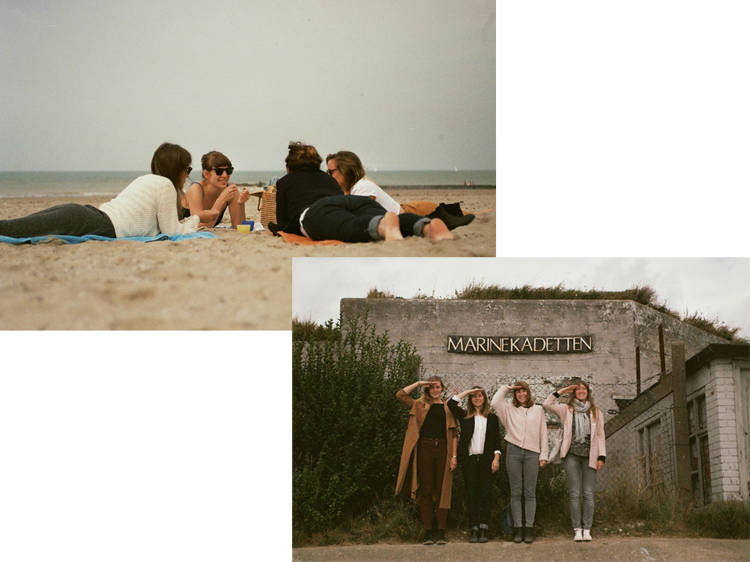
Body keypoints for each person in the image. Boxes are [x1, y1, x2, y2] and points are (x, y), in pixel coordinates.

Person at [0, 143, 201, 239]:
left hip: (87, 216)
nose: (187, 175)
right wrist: (195, 220)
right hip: (94, 222)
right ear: (176, 169)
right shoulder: (165, 186)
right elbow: (172, 232)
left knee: (14, 227)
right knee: (12, 230)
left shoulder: (146, 179)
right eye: (187, 169)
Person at [274, 142, 453, 242]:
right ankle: (426, 226)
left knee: (348, 226)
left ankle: (383, 227)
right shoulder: (329, 178)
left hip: (315, 212)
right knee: (384, 217)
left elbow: (282, 222)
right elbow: (339, 198)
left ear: (289, 168)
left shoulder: (285, 181)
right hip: (350, 201)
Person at [325, 151, 475, 230]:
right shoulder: (354, 189)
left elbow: (361, 212)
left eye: (330, 172)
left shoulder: (363, 187)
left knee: (469, 214)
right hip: (409, 210)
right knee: (464, 213)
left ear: (345, 170)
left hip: (417, 211)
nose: (328, 175)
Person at [396, 377, 458, 546]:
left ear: (442, 388)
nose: (435, 390)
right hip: (425, 448)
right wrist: (418, 384)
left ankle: (441, 531)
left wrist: (454, 456)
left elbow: (453, 434)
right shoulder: (420, 405)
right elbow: (401, 395)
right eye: (431, 387)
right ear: (427, 389)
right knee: (426, 489)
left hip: (443, 449)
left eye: (437, 387)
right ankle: (428, 532)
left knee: (441, 489)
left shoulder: (447, 407)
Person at [543, 380, 606, 542]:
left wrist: (601, 457)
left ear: (588, 392)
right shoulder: (566, 409)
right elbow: (547, 404)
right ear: (574, 393)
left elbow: (600, 435)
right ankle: (577, 529)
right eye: (577, 389)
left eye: (583, 388)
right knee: (575, 493)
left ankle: (587, 529)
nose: (581, 391)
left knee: (588, 493)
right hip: (571, 456)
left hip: (590, 457)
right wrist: (563, 390)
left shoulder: (595, 412)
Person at [490, 381, 548, 544]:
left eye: (524, 391)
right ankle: (518, 528)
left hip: (532, 453)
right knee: (515, 492)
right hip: (514, 452)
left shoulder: (538, 410)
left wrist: (543, 455)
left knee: (529, 492)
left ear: (528, 393)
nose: (521, 394)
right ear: (515, 394)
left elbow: (543, 433)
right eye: (518, 392)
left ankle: (528, 528)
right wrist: (506, 388)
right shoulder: (508, 409)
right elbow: (495, 402)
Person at [447, 386, 502, 543]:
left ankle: (484, 528)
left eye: (480, 395)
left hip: (486, 461)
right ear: (471, 399)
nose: (477, 398)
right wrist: (466, 393)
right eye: (474, 396)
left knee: (485, 494)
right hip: (469, 461)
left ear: (484, 398)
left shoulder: (492, 418)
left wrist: (496, 459)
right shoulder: (465, 415)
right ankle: (474, 528)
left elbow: (497, 441)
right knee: (472, 495)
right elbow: (451, 404)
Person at [183, 151, 250, 228]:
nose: (225, 175)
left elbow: (238, 227)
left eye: (228, 171)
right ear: (206, 174)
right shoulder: (196, 189)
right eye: (219, 171)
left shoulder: (231, 190)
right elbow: (199, 227)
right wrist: (221, 200)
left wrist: (241, 204)